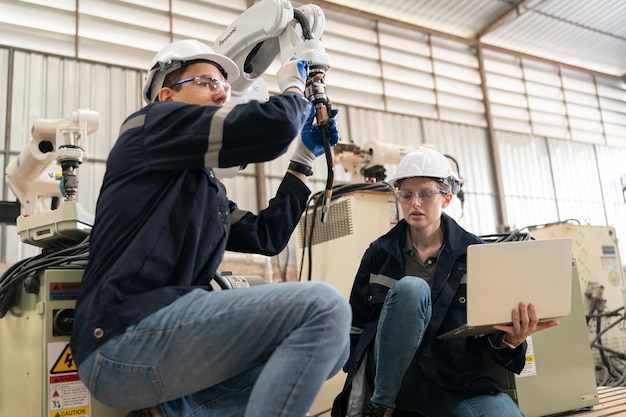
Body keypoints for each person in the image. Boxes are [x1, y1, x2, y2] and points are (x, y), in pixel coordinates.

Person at [69, 39, 351, 417]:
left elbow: (266, 236)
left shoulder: (201, 186)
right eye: (207, 82)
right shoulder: (145, 127)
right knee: (325, 308)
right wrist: (293, 86)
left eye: (224, 87)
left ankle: (173, 411)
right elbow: (275, 126)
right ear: (166, 95)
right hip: (121, 337)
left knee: (333, 348)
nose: (222, 95)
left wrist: (301, 161)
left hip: (158, 338)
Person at [332, 146, 559, 417]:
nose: (415, 203)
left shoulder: (478, 255)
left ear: (447, 199)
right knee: (411, 289)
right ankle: (381, 409)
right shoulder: (378, 254)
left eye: (425, 194)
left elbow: (489, 337)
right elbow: (355, 330)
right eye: (406, 194)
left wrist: (510, 340)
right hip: (388, 382)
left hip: (451, 379)